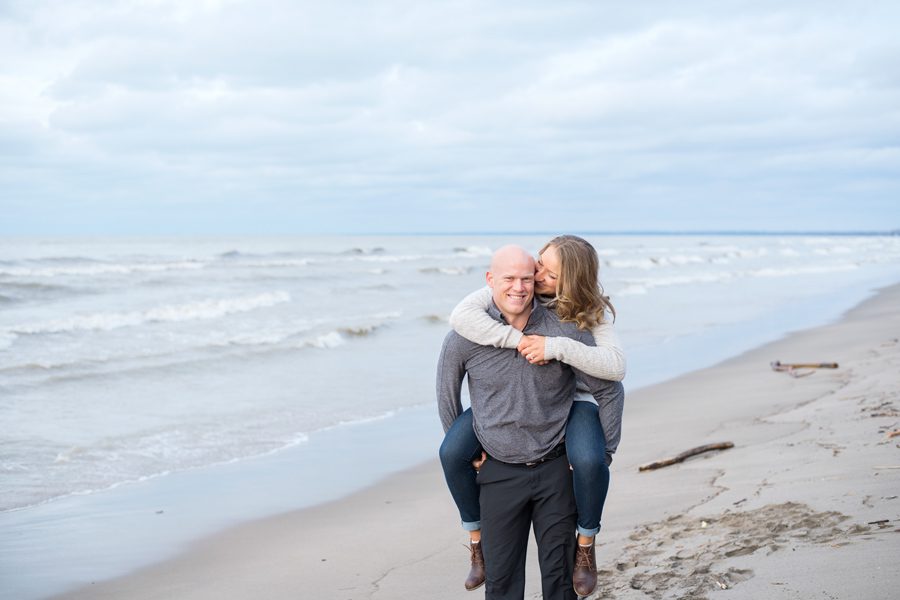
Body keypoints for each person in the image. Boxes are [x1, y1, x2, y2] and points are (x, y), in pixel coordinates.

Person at [440, 235, 625, 596]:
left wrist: (607, 450)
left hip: (558, 454)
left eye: (540, 275)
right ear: (490, 279)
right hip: (498, 469)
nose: (530, 281)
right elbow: (447, 392)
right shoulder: (466, 331)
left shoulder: (570, 324)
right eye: (530, 269)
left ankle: (586, 545)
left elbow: (610, 381)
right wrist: (472, 452)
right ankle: (475, 539)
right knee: (502, 582)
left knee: (560, 582)